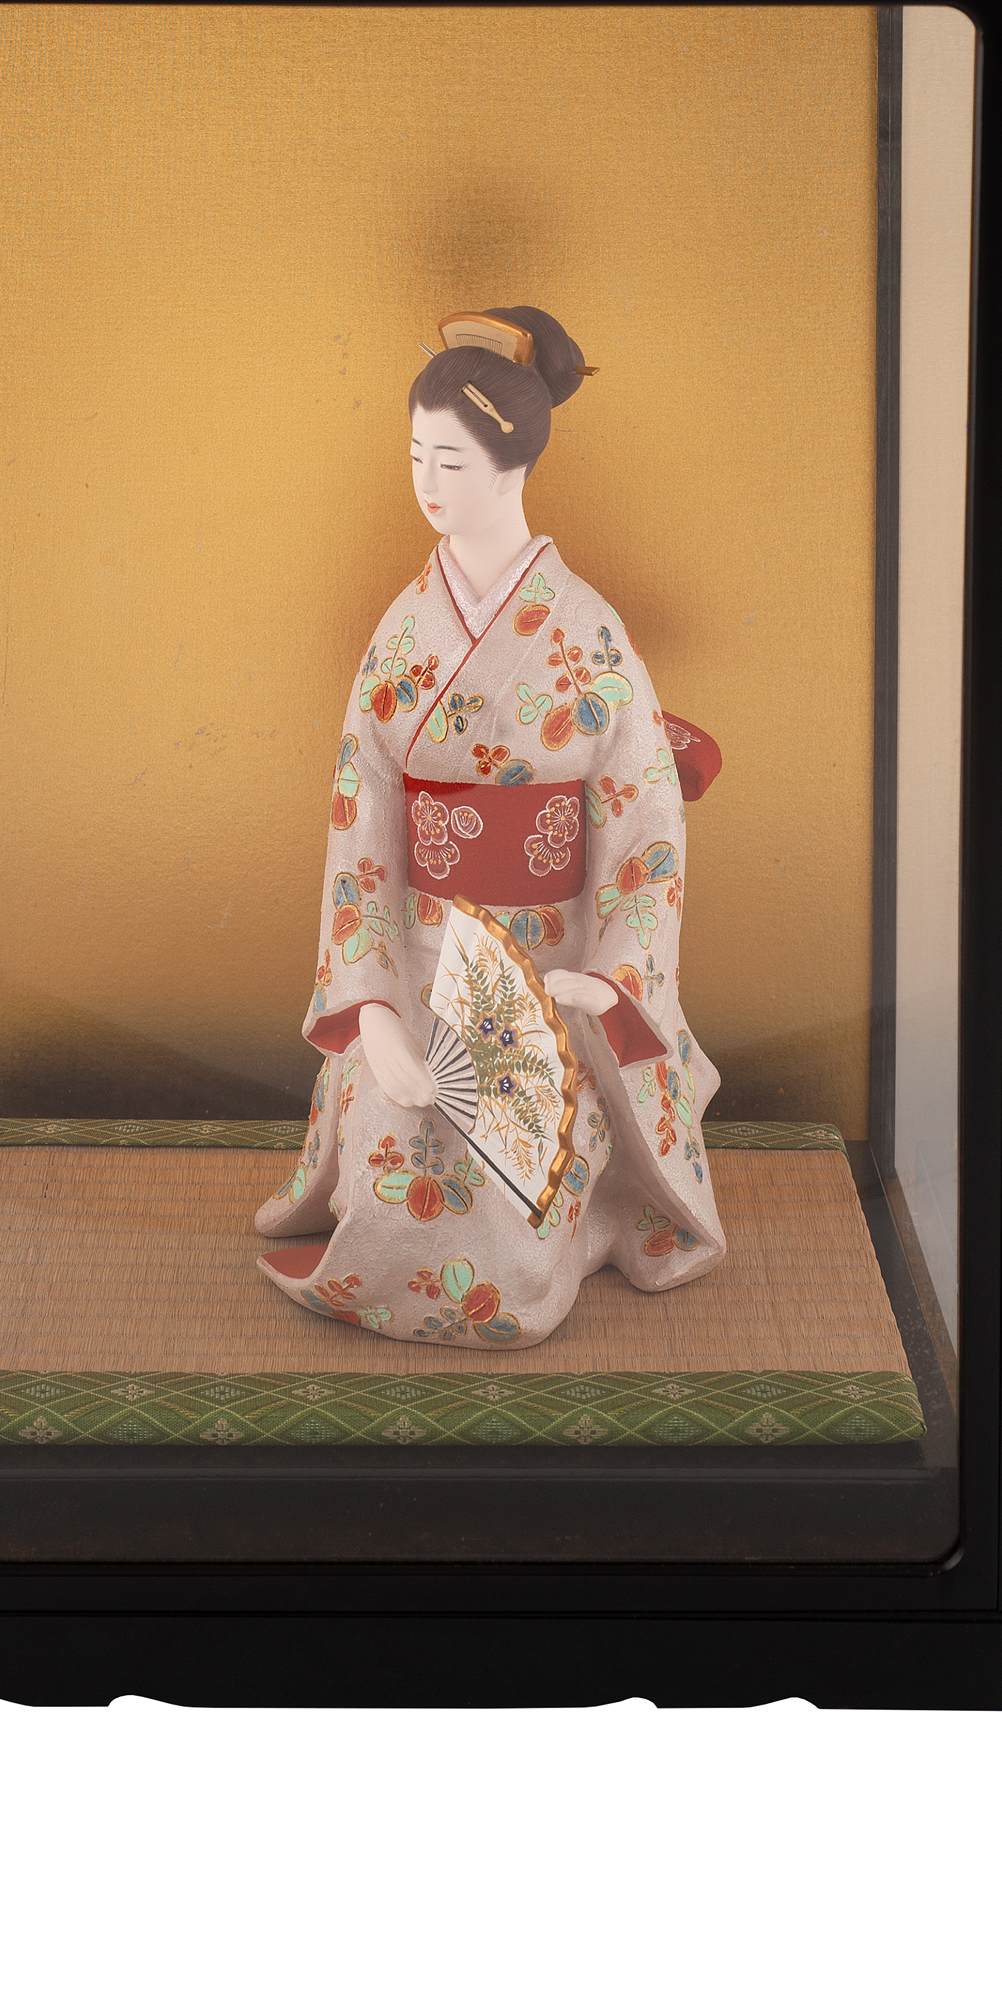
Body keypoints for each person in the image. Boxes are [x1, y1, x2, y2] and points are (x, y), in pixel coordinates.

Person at [251, 305, 729, 1345]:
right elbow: (360, 832)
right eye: (416, 455)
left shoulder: (587, 632)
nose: (427, 481)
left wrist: (611, 977)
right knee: (399, 1149)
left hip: (551, 974)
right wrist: (373, 1013)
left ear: (513, 464)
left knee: (515, 1209)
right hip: (422, 967)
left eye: (451, 460)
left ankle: (573, 1223)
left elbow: (645, 820)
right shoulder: (403, 631)